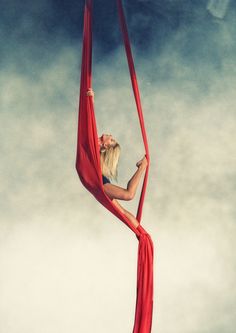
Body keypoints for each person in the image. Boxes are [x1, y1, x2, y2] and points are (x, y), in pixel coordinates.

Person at [87, 88, 148, 229]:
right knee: (123, 212)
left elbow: (90, 121)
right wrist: (90, 101)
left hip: (100, 182)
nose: (110, 136)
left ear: (106, 147)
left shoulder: (96, 146)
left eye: (112, 140)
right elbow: (89, 123)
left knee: (128, 194)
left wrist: (91, 101)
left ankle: (142, 166)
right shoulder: (93, 141)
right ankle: (141, 234)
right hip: (96, 181)